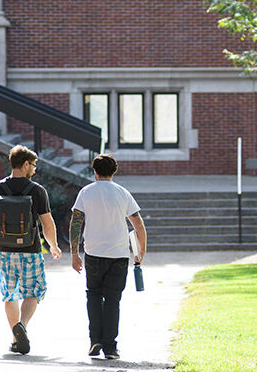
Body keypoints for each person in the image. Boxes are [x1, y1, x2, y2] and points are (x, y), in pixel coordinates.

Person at [0, 145, 62, 355]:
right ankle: (21, 327)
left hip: (5, 250)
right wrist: (53, 245)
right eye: (33, 165)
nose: (34, 169)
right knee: (35, 290)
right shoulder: (37, 190)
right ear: (25, 164)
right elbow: (47, 223)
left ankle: (16, 336)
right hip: (31, 250)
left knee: (10, 293)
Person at [70, 154, 147, 360]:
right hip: (119, 255)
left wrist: (74, 253)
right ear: (114, 171)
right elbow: (138, 225)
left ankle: (95, 339)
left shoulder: (86, 192)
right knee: (113, 300)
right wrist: (141, 251)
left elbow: (75, 223)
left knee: (93, 296)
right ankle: (110, 347)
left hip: (93, 253)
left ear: (94, 171)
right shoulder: (122, 193)